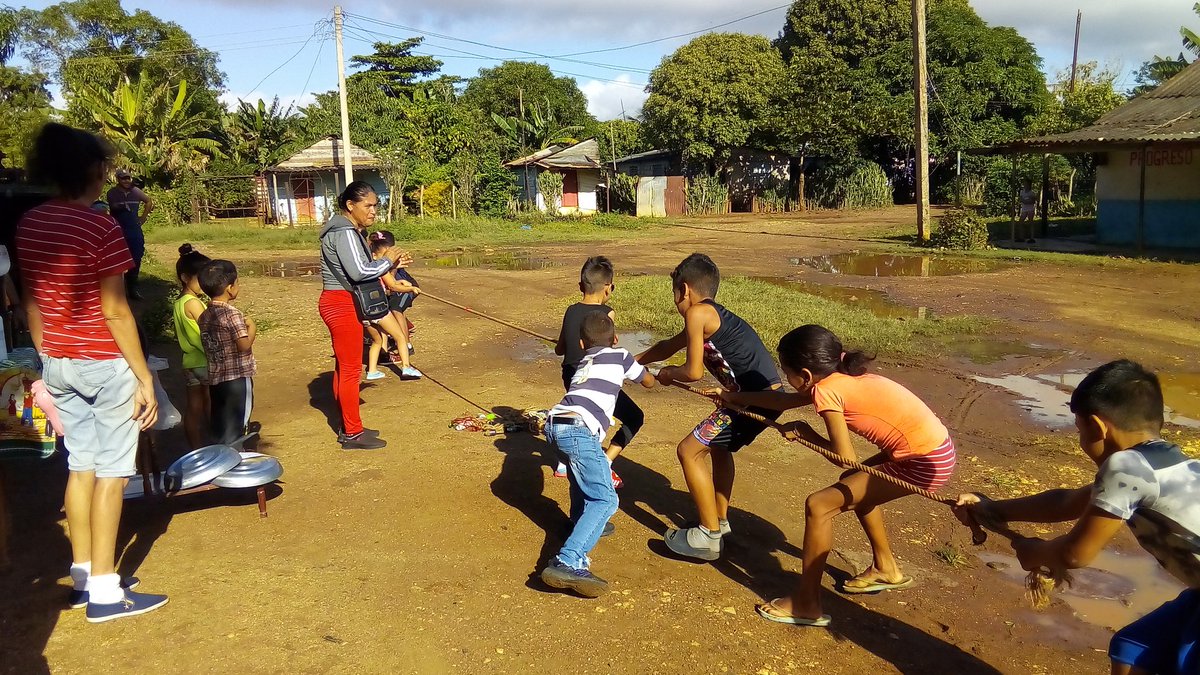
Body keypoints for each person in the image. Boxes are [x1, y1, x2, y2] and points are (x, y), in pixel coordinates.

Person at [955, 360, 1200, 674]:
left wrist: (1035, 553)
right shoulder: (1168, 464)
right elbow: (1067, 502)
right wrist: (992, 507)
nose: (1083, 441)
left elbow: (1074, 553)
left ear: (1097, 428)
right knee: (1133, 649)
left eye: (1080, 430)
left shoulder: (1126, 467)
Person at [15, 122, 167, 622]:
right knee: (113, 475)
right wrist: (143, 377)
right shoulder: (101, 227)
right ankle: (106, 592)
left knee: (80, 467)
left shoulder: (30, 223)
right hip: (106, 364)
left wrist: (48, 355)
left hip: (58, 362)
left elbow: (32, 300)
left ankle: (84, 575)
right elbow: (117, 311)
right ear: (93, 170)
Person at [720, 324, 956, 626]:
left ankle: (807, 603)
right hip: (935, 449)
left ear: (805, 376)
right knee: (852, 485)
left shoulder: (827, 390)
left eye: (785, 371)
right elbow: (786, 402)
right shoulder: (840, 373)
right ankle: (886, 567)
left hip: (923, 461)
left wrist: (805, 433)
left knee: (819, 505)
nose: (786, 378)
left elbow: (844, 457)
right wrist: (732, 397)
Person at [638, 253, 782, 561]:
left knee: (688, 450)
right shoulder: (710, 315)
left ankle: (707, 535)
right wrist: (631, 362)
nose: (676, 302)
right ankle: (719, 519)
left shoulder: (697, 314)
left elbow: (693, 372)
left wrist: (667, 373)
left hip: (753, 399)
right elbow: (668, 346)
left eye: (675, 295)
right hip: (763, 397)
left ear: (685, 290)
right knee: (718, 448)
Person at [540, 312, 656, 597]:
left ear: (581, 342)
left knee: (581, 479)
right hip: (580, 429)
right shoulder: (621, 356)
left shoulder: (583, 361)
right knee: (605, 498)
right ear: (615, 339)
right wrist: (661, 374)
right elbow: (648, 382)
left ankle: (578, 522)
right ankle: (568, 560)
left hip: (555, 425)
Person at [318, 181, 409, 450]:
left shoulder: (345, 230)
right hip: (341, 303)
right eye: (368, 206)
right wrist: (387, 262)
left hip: (341, 301)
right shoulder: (344, 232)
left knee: (343, 367)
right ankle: (352, 433)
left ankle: (349, 424)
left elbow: (361, 267)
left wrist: (387, 264)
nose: (373, 211)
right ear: (350, 205)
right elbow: (359, 272)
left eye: (375, 205)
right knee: (349, 370)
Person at [552, 256, 641, 489]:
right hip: (593, 376)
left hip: (571, 375)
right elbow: (606, 355)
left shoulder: (570, 311)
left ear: (581, 286)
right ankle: (605, 462)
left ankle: (565, 462)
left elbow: (559, 349)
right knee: (634, 418)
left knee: (580, 415)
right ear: (608, 288)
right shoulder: (607, 313)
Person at [197, 260, 256, 446]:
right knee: (238, 424)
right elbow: (244, 345)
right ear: (230, 288)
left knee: (220, 423)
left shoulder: (204, 315)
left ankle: (221, 459)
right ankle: (235, 461)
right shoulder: (233, 315)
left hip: (216, 378)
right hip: (237, 378)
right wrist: (252, 327)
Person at [364, 230, 421, 381]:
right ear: (375, 256)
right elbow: (393, 286)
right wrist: (410, 288)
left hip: (365, 312)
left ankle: (372, 370)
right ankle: (407, 367)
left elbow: (393, 284)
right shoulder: (382, 270)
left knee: (376, 341)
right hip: (379, 310)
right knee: (400, 336)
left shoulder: (365, 269)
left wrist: (400, 282)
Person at [173, 243, 212, 449]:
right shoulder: (194, 303)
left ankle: (196, 449)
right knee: (210, 404)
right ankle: (217, 443)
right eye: (200, 277)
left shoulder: (179, 302)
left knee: (193, 407)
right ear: (185, 278)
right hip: (204, 360)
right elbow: (208, 329)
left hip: (189, 362)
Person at [105, 169, 153, 300]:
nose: (126, 181)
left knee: (136, 257)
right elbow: (113, 207)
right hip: (118, 230)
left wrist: (143, 217)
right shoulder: (112, 193)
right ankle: (118, 290)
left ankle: (133, 288)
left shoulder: (136, 191)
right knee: (118, 260)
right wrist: (122, 206)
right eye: (123, 178)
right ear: (118, 179)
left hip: (134, 230)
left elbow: (148, 201)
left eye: (128, 178)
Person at [1018, 179, 1037, 244]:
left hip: (1030, 209)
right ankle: (1021, 237)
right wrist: (1025, 201)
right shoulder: (1022, 192)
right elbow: (1021, 199)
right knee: (1020, 222)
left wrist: (1026, 201)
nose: (1025, 185)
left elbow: (1032, 201)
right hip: (1024, 209)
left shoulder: (1032, 193)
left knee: (1030, 222)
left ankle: (1032, 238)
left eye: (1026, 184)